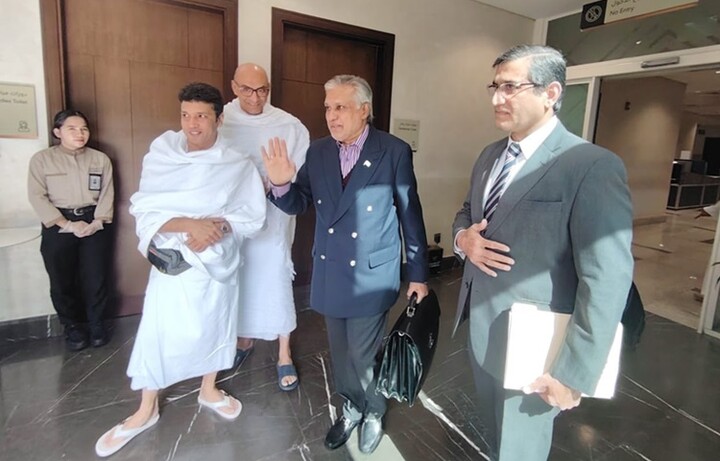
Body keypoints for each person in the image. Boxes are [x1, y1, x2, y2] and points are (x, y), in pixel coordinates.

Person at [452, 45, 633, 461]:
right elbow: (467, 212)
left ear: (551, 93)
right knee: (496, 436)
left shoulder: (590, 165)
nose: (497, 99)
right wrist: (463, 240)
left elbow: (607, 278)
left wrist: (574, 372)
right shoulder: (490, 155)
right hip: (482, 327)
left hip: (537, 346)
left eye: (511, 87)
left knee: (520, 448)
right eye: (495, 87)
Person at [94, 82, 266, 458]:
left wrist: (216, 228)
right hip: (174, 259)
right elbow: (145, 209)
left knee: (217, 324)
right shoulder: (163, 154)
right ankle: (146, 408)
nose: (192, 124)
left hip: (217, 259)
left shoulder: (236, 163)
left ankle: (209, 388)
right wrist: (189, 224)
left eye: (201, 116)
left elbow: (251, 214)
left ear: (219, 119)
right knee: (159, 329)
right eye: (186, 115)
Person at [262, 74, 429, 454]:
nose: (331, 116)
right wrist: (281, 185)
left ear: (364, 110)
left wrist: (418, 275)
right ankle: (352, 406)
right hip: (331, 269)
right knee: (340, 352)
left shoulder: (393, 151)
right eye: (328, 108)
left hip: (372, 272)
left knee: (362, 354)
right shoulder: (319, 152)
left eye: (340, 107)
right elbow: (299, 203)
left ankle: (374, 411)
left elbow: (410, 214)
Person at [219, 63, 310, 391]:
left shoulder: (288, 125)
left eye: (262, 90)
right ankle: (243, 339)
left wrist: (273, 182)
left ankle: (284, 352)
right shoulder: (221, 120)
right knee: (240, 276)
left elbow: (298, 170)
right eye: (247, 89)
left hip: (273, 217)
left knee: (274, 277)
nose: (255, 97)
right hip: (235, 218)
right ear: (234, 87)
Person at [27, 109, 114, 351]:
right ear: (58, 132)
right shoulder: (42, 160)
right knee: (61, 278)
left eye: (84, 129)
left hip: (94, 222)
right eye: (72, 129)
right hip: (58, 224)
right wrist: (67, 224)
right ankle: (72, 327)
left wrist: (98, 221)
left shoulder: (100, 159)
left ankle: (97, 324)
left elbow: (107, 193)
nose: (80, 133)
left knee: (95, 277)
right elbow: (37, 196)